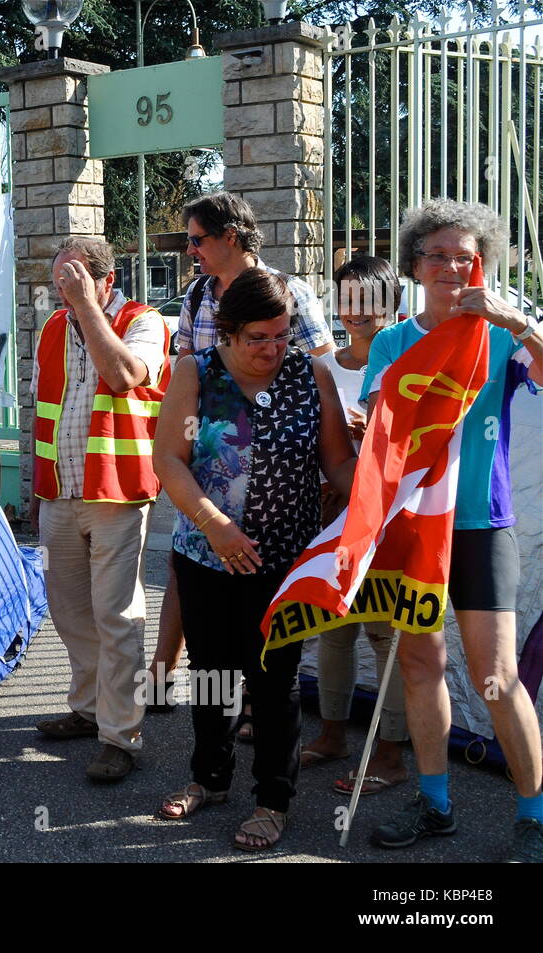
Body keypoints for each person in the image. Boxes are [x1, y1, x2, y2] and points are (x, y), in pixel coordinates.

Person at [362, 200, 543, 862]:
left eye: (464, 256)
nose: (450, 266)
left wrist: (516, 320)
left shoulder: (501, 337)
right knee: (419, 663)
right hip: (414, 525)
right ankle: (435, 804)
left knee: (496, 673)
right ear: (414, 264)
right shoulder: (391, 341)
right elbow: (380, 434)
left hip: (482, 523)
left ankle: (534, 816)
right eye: (437, 254)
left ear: (482, 265)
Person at [153, 269, 356, 850]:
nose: (271, 350)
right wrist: (215, 526)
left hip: (284, 561)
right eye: (257, 339)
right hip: (207, 554)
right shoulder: (194, 373)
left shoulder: (311, 374)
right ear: (228, 333)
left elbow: (336, 464)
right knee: (213, 671)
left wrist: (378, 492)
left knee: (275, 682)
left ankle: (273, 799)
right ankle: (209, 777)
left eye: (281, 335)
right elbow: (169, 459)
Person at [149, 192, 335, 731]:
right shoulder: (195, 297)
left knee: (272, 658)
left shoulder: (288, 293)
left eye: (197, 239)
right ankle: (176, 690)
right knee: (193, 589)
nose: (190, 250)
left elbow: (317, 370)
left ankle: (257, 714)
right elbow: (180, 395)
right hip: (207, 491)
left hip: (280, 514)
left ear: (230, 235)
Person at [29, 237, 171, 781]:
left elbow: (125, 376)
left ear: (107, 281)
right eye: (59, 277)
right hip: (60, 491)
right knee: (68, 612)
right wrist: (43, 492)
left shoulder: (145, 321)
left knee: (116, 616)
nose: (63, 287)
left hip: (118, 491)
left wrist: (88, 307)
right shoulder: (51, 328)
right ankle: (89, 710)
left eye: (75, 277)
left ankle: (121, 736)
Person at [300, 256, 408, 795]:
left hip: (389, 520)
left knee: (386, 635)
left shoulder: (408, 359)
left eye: (368, 299)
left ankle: (390, 753)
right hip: (332, 519)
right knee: (333, 632)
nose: (356, 312)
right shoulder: (322, 366)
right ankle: (332, 735)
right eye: (346, 299)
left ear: (392, 302)